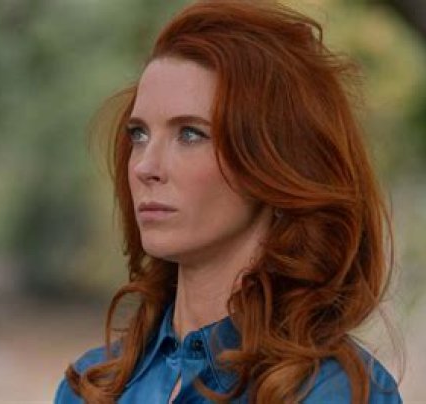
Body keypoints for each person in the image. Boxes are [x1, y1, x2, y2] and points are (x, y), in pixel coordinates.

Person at [54, 0, 403, 402]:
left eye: (190, 134)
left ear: (273, 163)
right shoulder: (89, 387)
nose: (145, 166)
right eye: (139, 134)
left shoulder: (334, 392)